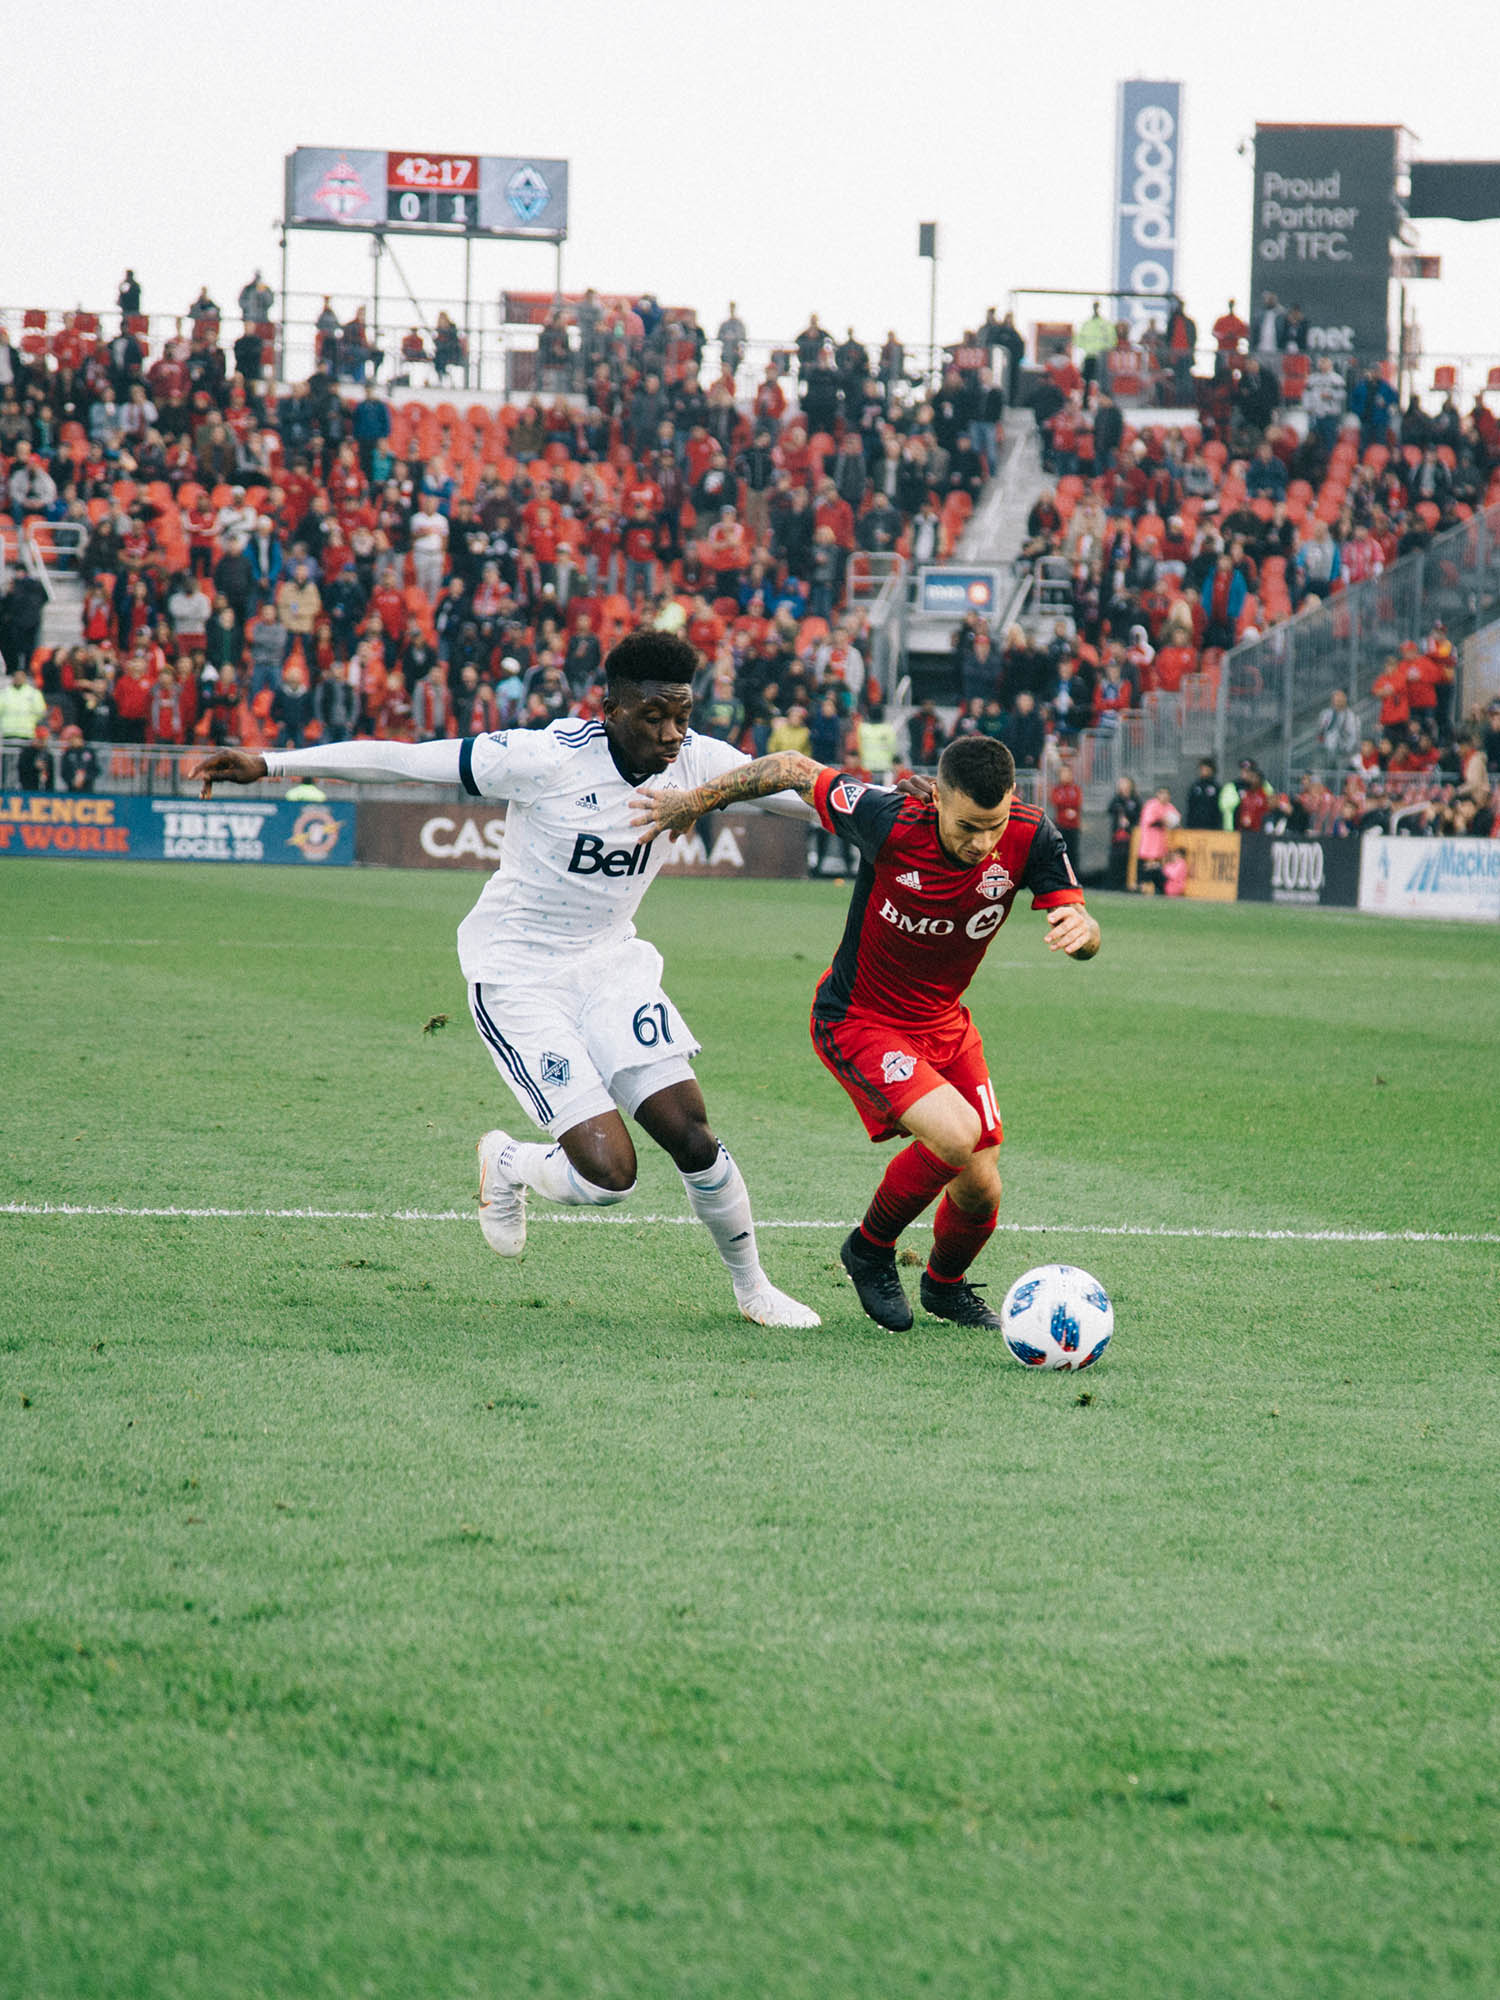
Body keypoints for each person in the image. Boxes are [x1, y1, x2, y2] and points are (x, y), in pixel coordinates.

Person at [188, 630, 821, 1330]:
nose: (673, 734)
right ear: (608, 707)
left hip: (612, 965)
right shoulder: (542, 758)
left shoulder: (700, 761)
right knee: (611, 1176)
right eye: (653, 716)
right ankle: (513, 1163)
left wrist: (904, 804)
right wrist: (272, 762)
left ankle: (753, 1288)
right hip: (519, 976)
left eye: (683, 715)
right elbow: (406, 762)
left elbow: (810, 797)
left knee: (692, 1134)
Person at [631, 735, 1099, 1334]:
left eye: (994, 824)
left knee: (982, 1188)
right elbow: (792, 768)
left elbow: (1082, 927)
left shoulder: (1031, 836)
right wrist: (696, 800)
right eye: (968, 826)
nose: (981, 842)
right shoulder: (889, 818)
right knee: (958, 1137)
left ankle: (945, 1287)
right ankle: (870, 1249)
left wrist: (1083, 932)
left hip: (946, 1026)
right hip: (859, 1020)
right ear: (939, 799)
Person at [1105, 776, 1139, 891]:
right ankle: (1113, 884)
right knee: (1115, 859)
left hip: (1131, 836)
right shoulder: (1117, 799)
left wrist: (1129, 820)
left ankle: (1125, 884)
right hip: (1117, 836)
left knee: (1127, 859)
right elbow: (1109, 809)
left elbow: (1138, 815)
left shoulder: (1135, 800)